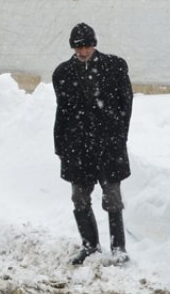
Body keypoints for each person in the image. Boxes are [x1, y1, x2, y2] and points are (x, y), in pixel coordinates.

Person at [51, 23, 134, 265]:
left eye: (87, 46)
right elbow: (63, 112)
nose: (83, 52)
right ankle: (90, 245)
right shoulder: (63, 73)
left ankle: (118, 246)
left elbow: (125, 105)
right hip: (77, 146)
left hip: (108, 144)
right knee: (79, 197)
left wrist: (119, 135)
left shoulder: (114, 67)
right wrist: (61, 144)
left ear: (94, 45)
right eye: (79, 48)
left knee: (112, 196)